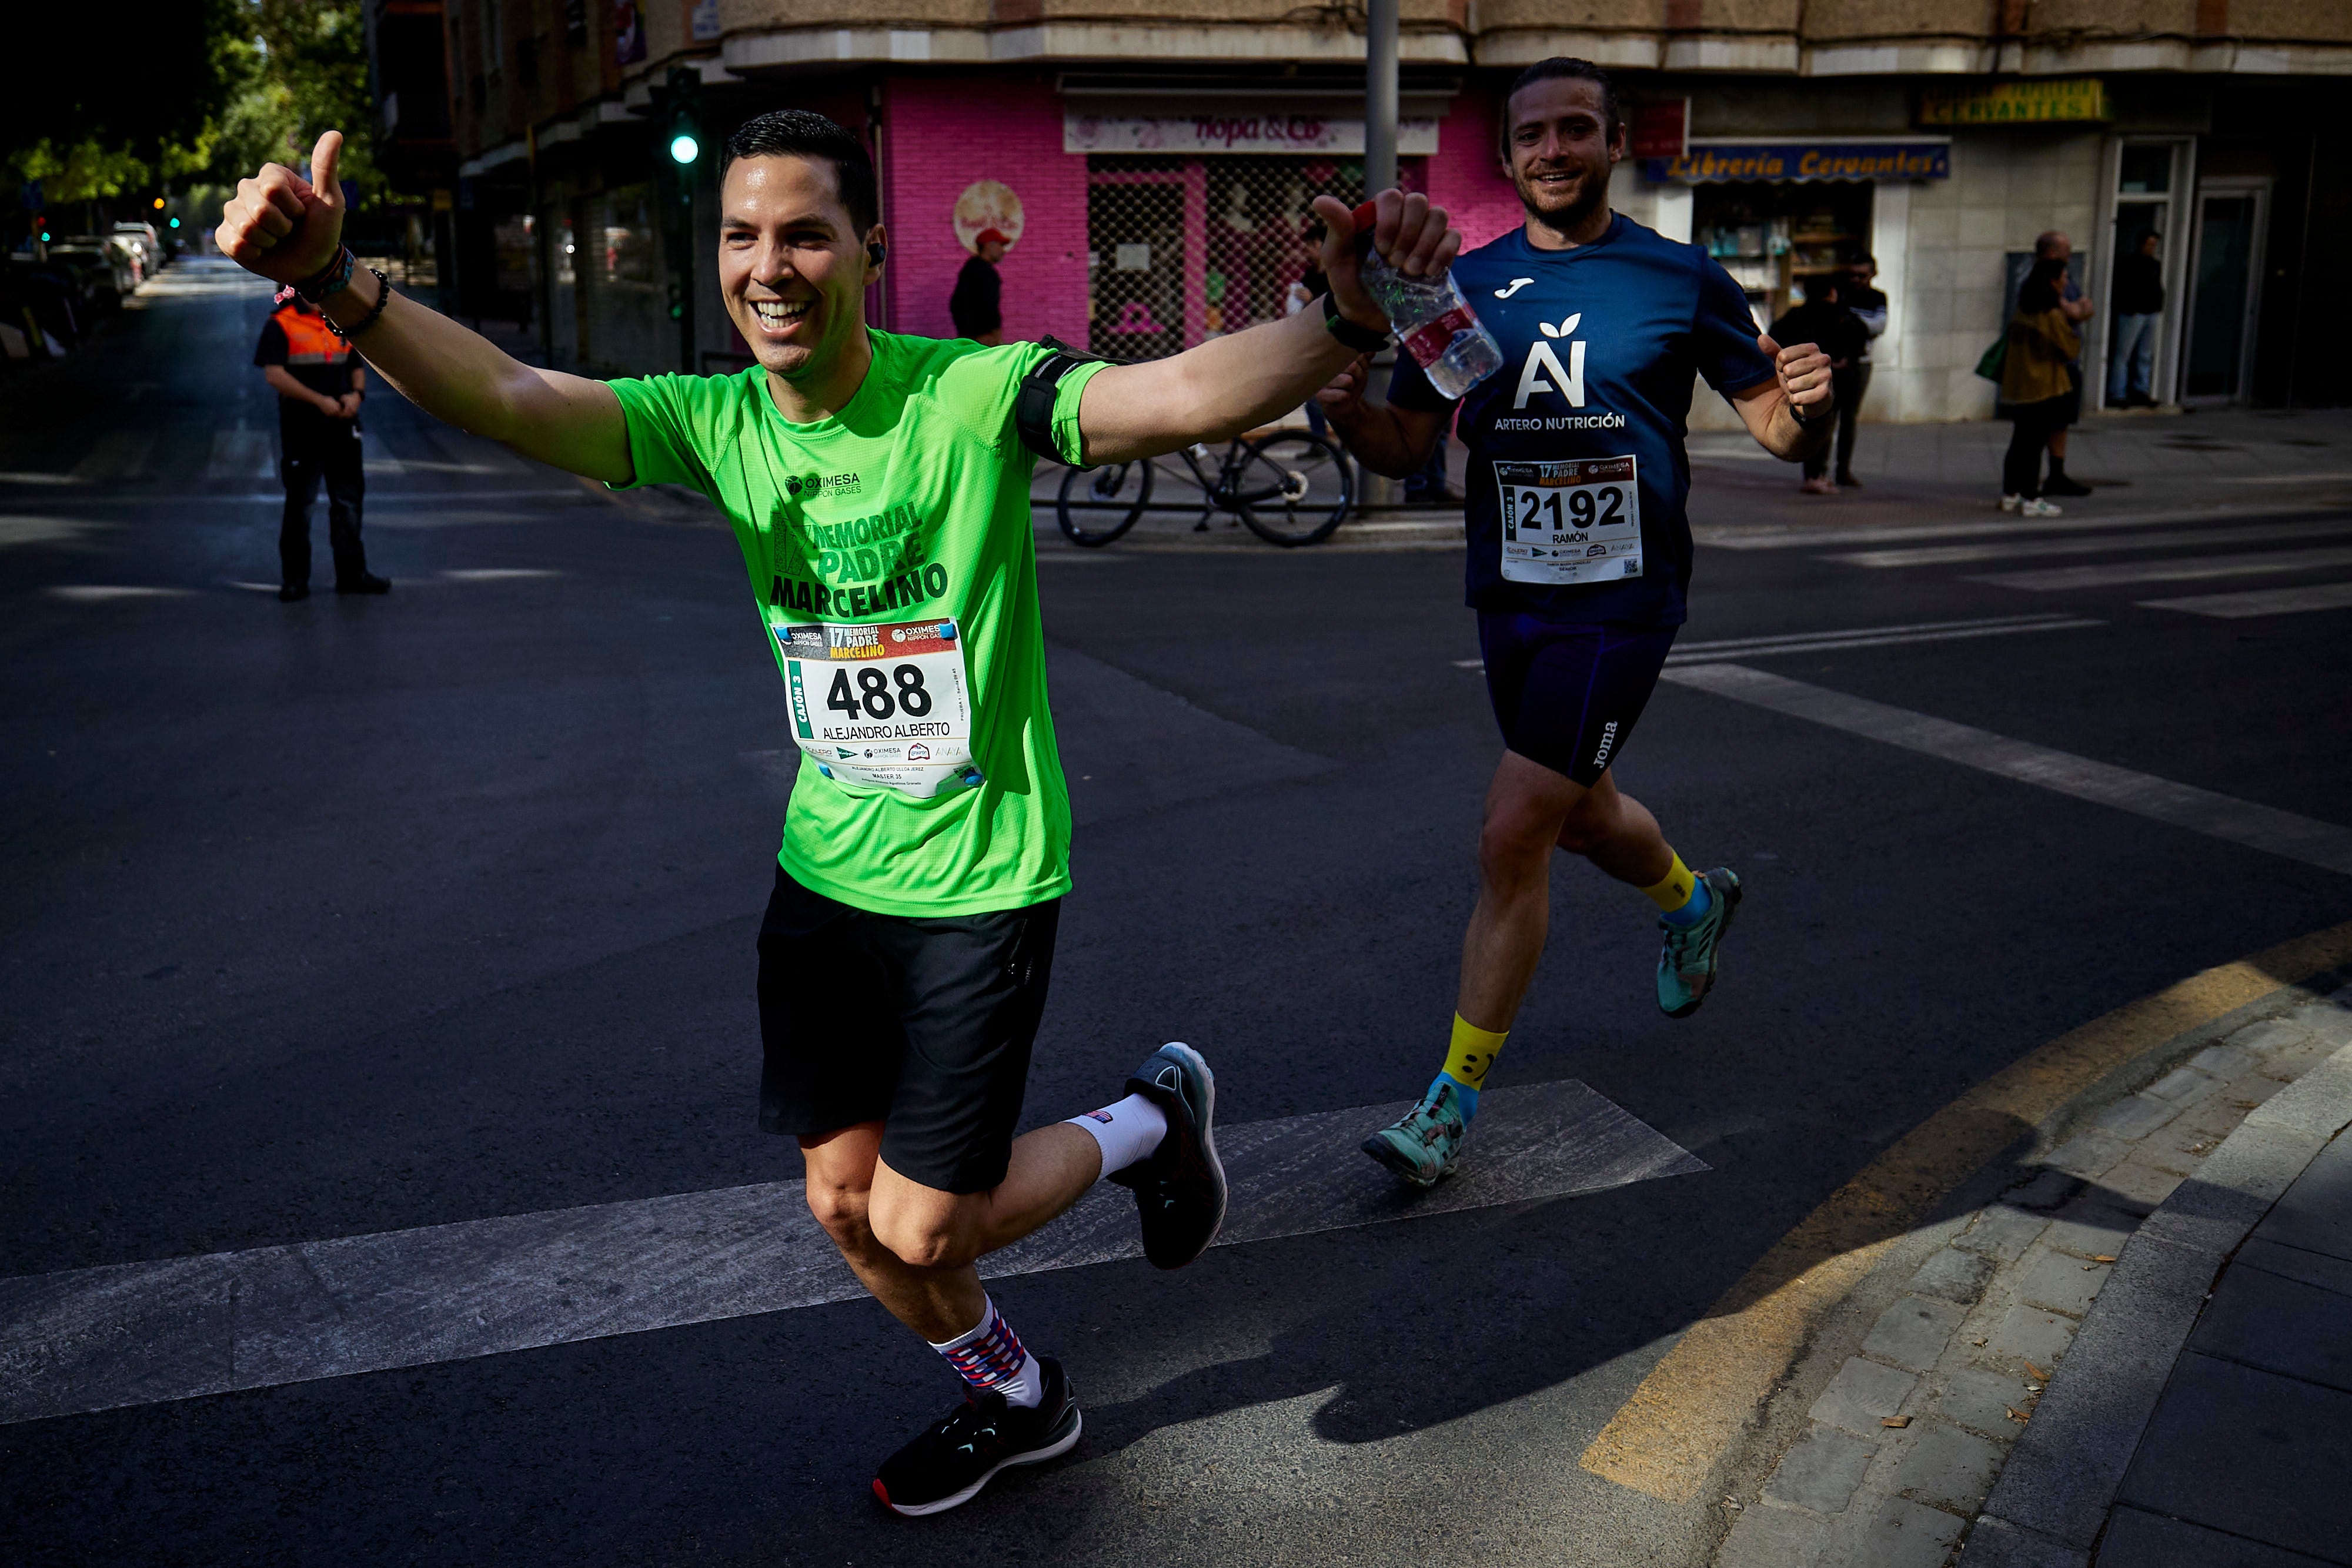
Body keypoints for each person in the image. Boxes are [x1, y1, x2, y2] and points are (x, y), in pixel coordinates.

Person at [215, 112, 1459, 1514]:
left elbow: (1173, 395)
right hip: (824, 877)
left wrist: (1340, 322)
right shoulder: (715, 421)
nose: (770, 267)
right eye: (742, 236)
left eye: (805, 233)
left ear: (870, 248)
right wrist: (338, 279)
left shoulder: (968, 398)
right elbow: (507, 391)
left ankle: (1148, 1126)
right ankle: (1024, 1398)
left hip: (980, 880)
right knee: (840, 1210)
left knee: (922, 1220)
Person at [1315, 57, 1833, 1186]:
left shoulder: (1679, 275)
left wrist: (1812, 404)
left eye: (1577, 129)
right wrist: (1353, 421)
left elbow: (1778, 435)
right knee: (1585, 815)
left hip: (1624, 599)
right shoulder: (1461, 284)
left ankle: (1448, 1103)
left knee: (1514, 832)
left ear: (1613, 143)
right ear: (1507, 157)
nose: (1555, 149)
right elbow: (1411, 449)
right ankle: (1694, 902)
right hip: (1510, 594)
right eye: (1534, 135)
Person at [254, 285, 387, 600]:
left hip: (343, 427)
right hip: (303, 430)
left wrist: (357, 396)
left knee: (349, 502)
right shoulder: (281, 323)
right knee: (301, 505)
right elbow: (274, 375)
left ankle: (353, 574)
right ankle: (295, 581)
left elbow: (356, 365)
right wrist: (319, 402)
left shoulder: (340, 321)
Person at [1767, 273, 1865, 495]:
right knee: (1843, 423)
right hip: (1842, 378)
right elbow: (1860, 334)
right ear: (1832, 292)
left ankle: (1814, 474)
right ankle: (1836, 472)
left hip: (1811, 379)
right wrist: (1846, 358)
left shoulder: (1798, 315)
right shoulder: (1841, 315)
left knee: (1815, 424)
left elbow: (1776, 335)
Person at [1998, 256, 2082, 518]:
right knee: (2035, 444)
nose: (2066, 282)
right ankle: (2032, 498)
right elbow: (2069, 348)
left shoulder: (2023, 310)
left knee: (2019, 442)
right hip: (2045, 386)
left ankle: (2011, 494)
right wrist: (2077, 316)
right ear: (2052, 282)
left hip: (2021, 384)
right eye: (2063, 278)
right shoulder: (2051, 314)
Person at [2032, 230, 2096, 497]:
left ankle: (2056, 475)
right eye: (2066, 250)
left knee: (2062, 422)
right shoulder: (2039, 279)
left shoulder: (2066, 280)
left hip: (2067, 366)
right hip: (2050, 366)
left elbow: (2086, 307)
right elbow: (2068, 312)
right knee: (2040, 425)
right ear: (2053, 252)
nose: (2070, 257)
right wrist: (2075, 310)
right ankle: (2026, 486)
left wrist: (2077, 309)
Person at [1838, 256, 1887, 486]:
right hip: (1836, 360)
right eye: (1853, 275)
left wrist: (1852, 322)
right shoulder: (1841, 293)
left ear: (1872, 274)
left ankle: (1843, 470)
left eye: (1862, 275)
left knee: (1849, 418)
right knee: (1826, 417)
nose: (1856, 280)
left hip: (1861, 361)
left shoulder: (1877, 298)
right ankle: (1818, 472)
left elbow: (1879, 326)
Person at [2107, 229, 2163, 407]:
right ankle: (2118, 393)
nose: (2152, 248)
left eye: (2154, 245)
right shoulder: (2129, 264)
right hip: (2133, 313)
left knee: (2145, 355)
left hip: (2149, 312)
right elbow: (2122, 287)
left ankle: (2141, 390)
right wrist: (2128, 307)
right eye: (2149, 244)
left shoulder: (2154, 265)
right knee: (2124, 354)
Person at [948, 226, 1007, 345]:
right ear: (989, 246)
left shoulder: (971, 268)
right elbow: (989, 305)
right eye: (1000, 245)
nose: (1002, 250)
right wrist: (986, 333)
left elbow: (957, 304)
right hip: (983, 337)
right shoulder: (985, 272)